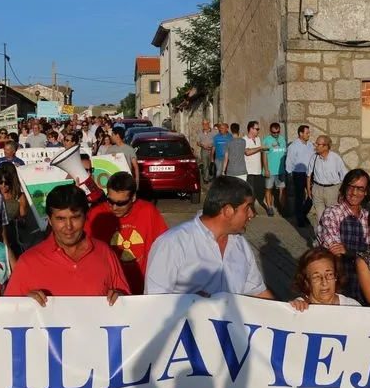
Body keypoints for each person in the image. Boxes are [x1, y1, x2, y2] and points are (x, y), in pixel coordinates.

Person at [144, 176, 274, 298]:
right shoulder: (172, 244)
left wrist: (284, 310)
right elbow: (154, 301)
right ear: (228, 210)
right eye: (247, 208)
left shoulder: (241, 244)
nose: (252, 214)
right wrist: (188, 301)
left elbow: (258, 292)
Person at [4, 184, 129, 304]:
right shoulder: (28, 262)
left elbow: (127, 302)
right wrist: (24, 304)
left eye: (75, 217)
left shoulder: (104, 253)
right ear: (49, 220)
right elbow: (8, 312)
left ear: (86, 216)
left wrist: (121, 299)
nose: (69, 226)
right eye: (61, 219)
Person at [86, 172, 168, 295]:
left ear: (133, 197)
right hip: (110, 292)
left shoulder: (148, 211)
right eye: (110, 201)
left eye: (121, 203)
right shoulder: (97, 214)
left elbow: (165, 248)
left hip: (143, 289)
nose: (114, 207)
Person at [315, 169, 370, 303]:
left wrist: (349, 252)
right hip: (336, 289)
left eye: (360, 189)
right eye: (351, 187)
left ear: (366, 192)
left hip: (363, 288)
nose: (354, 193)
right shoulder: (332, 213)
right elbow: (334, 251)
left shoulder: (369, 218)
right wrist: (361, 255)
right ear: (345, 187)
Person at [288, 247, 361, 308]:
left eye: (329, 274)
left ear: (336, 276)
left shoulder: (352, 307)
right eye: (316, 277)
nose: (324, 282)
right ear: (307, 282)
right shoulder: (299, 308)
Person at [307, 135, 347, 224]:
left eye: (318, 144)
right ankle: (321, 232)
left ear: (326, 146)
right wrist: (309, 190)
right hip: (317, 189)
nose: (316, 146)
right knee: (319, 217)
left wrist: (342, 192)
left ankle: (332, 232)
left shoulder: (335, 158)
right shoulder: (314, 157)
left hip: (332, 190)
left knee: (332, 216)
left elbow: (344, 175)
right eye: (316, 144)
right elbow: (309, 174)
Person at [0, 163, 28, 257]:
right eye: (0, 182)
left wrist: (19, 220)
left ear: (13, 181)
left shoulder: (20, 197)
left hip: (14, 242)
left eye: (7, 183)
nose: (3, 185)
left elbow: (24, 223)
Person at [285, 125, 315, 227]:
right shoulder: (293, 146)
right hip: (299, 174)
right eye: (307, 133)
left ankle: (303, 214)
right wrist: (290, 174)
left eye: (309, 133)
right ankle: (300, 220)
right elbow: (289, 161)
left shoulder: (310, 145)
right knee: (300, 197)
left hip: (310, 174)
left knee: (312, 196)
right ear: (301, 133)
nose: (309, 135)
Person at [261, 122, 287, 217]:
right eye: (273, 132)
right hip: (270, 170)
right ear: (270, 131)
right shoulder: (266, 140)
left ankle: (283, 208)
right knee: (268, 189)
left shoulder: (282, 139)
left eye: (277, 132)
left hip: (281, 170)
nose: (276, 134)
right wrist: (266, 170)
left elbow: (284, 154)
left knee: (282, 190)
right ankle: (269, 207)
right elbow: (264, 156)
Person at [243, 121, 268, 208]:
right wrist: (260, 147)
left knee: (256, 191)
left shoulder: (258, 139)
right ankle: (250, 208)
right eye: (257, 129)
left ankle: (251, 208)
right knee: (250, 191)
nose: (258, 131)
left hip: (258, 170)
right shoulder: (244, 139)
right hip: (249, 170)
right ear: (251, 129)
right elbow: (247, 152)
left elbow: (260, 151)